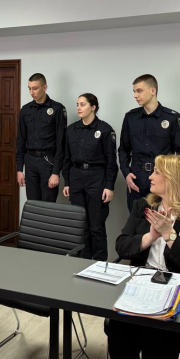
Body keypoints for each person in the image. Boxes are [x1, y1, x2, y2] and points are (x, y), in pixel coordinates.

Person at [105, 154, 180, 359]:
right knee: (118, 330)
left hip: (175, 294)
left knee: (158, 342)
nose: (150, 177)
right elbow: (122, 246)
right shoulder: (142, 206)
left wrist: (169, 235)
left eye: (156, 172)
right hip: (138, 290)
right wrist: (151, 236)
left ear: (174, 179)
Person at [118, 74, 180, 213]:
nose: (135, 95)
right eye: (134, 91)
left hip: (162, 177)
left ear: (153, 90)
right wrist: (126, 173)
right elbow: (123, 149)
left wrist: (173, 180)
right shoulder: (131, 117)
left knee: (161, 218)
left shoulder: (172, 118)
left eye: (139, 91)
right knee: (136, 219)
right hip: (137, 177)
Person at [62, 93, 117, 261]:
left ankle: (100, 264)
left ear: (93, 107)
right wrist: (67, 182)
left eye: (83, 104)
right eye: (77, 104)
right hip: (76, 177)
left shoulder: (105, 130)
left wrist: (109, 186)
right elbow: (66, 158)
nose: (78, 108)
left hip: (97, 178)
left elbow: (111, 161)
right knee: (81, 225)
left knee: (96, 225)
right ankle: (83, 262)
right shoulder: (71, 130)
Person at [15, 73, 67, 202]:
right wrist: (19, 169)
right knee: (33, 204)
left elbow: (61, 143)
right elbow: (20, 141)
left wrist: (55, 172)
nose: (31, 92)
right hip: (30, 161)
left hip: (48, 161)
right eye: (29, 88)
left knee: (48, 204)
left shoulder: (57, 109)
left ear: (45, 87)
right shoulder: (25, 110)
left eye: (35, 88)